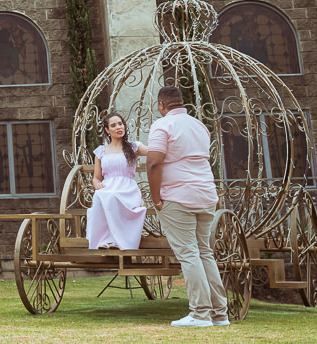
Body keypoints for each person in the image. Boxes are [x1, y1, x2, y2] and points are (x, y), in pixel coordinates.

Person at [147, 84, 230, 328]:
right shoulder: (199, 126)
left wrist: (155, 198)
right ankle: (219, 314)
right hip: (206, 196)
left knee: (189, 254)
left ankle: (200, 313)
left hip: (178, 197)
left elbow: (153, 163)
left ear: (161, 105)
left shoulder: (162, 125)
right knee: (204, 252)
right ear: (182, 103)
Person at [87, 111, 147, 250]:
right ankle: (104, 240)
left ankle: (119, 241)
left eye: (120, 124)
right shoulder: (101, 151)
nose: (118, 127)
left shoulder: (133, 147)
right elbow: (96, 177)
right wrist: (97, 184)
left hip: (126, 189)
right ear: (107, 130)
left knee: (112, 196)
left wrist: (157, 135)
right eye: (113, 125)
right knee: (100, 196)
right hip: (107, 186)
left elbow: (154, 151)